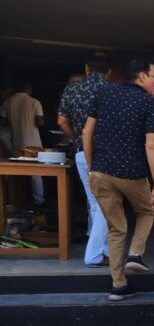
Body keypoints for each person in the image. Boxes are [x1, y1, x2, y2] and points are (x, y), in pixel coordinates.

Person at [82, 58, 154, 302]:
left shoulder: (104, 93)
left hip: (101, 172)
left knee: (116, 228)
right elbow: (151, 144)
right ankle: (135, 254)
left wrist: (91, 167)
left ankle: (118, 286)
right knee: (146, 212)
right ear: (141, 76)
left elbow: (86, 132)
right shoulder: (149, 103)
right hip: (132, 173)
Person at [57, 58, 112, 266]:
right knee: (106, 202)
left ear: (87, 69)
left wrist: (76, 138)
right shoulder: (111, 91)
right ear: (109, 72)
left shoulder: (72, 89)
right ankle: (96, 253)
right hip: (107, 153)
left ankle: (103, 250)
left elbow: (61, 121)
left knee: (95, 202)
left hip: (82, 151)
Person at [4, 84, 45, 206]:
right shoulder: (35, 102)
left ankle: (16, 202)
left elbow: (3, 121)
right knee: (36, 175)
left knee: (16, 174)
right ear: (29, 90)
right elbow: (40, 122)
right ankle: (38, 202)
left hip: (15, 143)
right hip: (34, 145)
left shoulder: (7, 102)